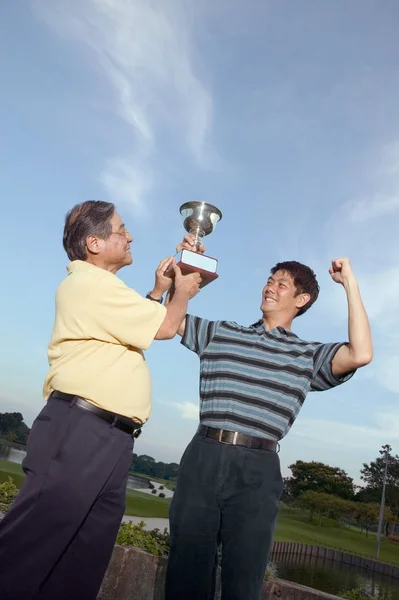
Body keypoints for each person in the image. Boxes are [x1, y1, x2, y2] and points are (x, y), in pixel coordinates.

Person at [0, 201, 201, 600]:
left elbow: (136, 322)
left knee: (81, 560)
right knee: (27, 550)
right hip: (81, 431)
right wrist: (183, 291)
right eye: (120, 229)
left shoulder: (103, 290)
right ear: (93, 242)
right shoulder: (90, 284)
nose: (129, 236)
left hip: (110, 437)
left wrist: (160, 291)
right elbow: (163, 326)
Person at [164, 235, 372, 600]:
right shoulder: (221, 332)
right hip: (204, 456)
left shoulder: (308, 355)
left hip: (257, 472)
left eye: (281, 284)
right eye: (269, 280)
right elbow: (170, 319)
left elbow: (360, 353)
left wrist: (350, 283)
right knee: (185, 571)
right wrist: (185, 263)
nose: (269, 287)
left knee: (243, 581)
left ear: (301, 300)